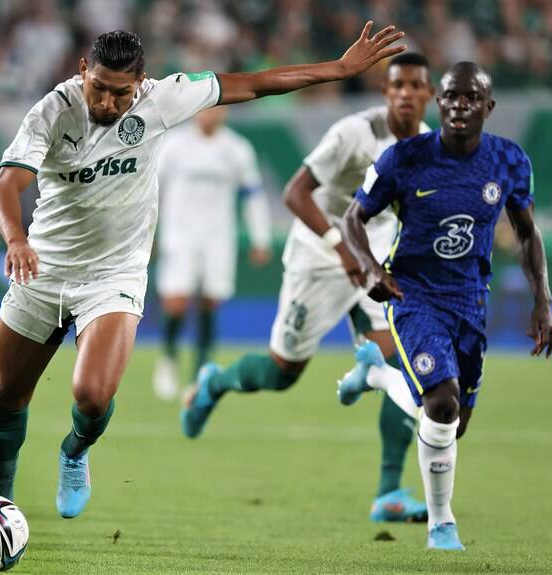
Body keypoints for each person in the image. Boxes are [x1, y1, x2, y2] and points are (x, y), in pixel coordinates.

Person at [0, 23, 406, 519]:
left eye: (121, 93)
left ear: (142, 83)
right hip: (44, 266)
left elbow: (254, 83)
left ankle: (75, 452)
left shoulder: (163, 100)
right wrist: (15, 239)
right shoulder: (53, 112)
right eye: (98, 88)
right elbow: (5, 187)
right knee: (7, 393)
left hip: (113, 275)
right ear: (83, 71)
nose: (107, 103)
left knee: (93, 396)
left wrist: (338, 69)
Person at [182, 52, 435, 523]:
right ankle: (214, 383)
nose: (405, 94)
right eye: (396, 86)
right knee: (283, 372)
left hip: (375, 262)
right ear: (385, 92)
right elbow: (294, 193)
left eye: (415, 86)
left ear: (428, 95)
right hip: (321, 257)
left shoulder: (427, 146)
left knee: (402, 366)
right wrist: (342, 248)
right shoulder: (353, 133)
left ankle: (389, 492)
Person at [341, 61, 552, 550]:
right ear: (439, 104)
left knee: (451, 426)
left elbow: (526, 232)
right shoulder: (405, 159)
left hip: (469, 299)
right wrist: (372, 269)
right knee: (441, 402)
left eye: (471, 97)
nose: (460, 105)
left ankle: (376, 374)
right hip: (413, 293)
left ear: (489, 106)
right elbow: (354, 219)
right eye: (451, 97)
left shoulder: (509, 162)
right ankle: (442, 524)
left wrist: (542, 300)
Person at [152, 104, 271, 401]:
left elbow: (253, 194)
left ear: (225, 113)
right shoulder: (174, 145)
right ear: (195, 111)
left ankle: (202, 369)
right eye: (206, 109)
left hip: (219, 237)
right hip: (179, 235)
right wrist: (146, 232)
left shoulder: (236, 148)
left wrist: (261, 238)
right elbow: (151, 190)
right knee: (176, 301)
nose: (211, 115)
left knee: (210, 301)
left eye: (218, 110)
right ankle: (168, 359)